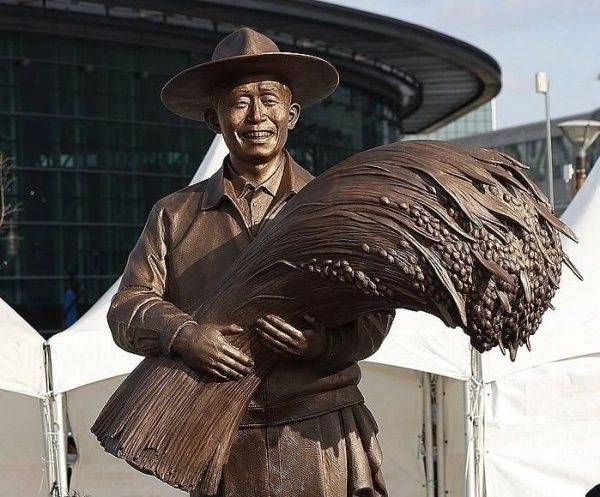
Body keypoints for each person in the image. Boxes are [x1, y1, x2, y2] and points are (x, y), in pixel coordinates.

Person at [107, 28, 393, 497]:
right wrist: (182, 334)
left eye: (269, 100)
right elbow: (127, 306)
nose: (256, 116)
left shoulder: (335, 207)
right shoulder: (174, 213)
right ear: (214, 120)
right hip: (220, 434)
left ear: (292, 114)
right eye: (239, 102)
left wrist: (320, 343)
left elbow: (376, 313)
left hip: (318, 431)